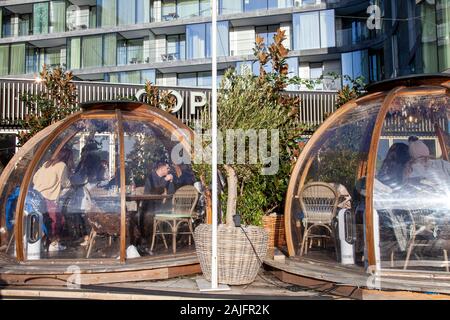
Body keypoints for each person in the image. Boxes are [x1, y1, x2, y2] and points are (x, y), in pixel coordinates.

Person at [32, 147, 73, 252]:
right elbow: (65, 182)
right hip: (47, 196)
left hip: (35, 194)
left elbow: (35, 178)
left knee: (43, 220)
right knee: (58, 220)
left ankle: (44, 242)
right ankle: (54, 244)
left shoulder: (47, 163)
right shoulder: (62, 165)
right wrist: (71, 184)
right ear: (68, 157)